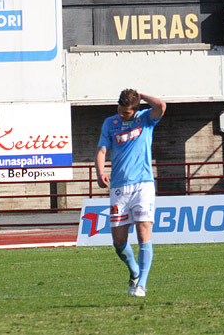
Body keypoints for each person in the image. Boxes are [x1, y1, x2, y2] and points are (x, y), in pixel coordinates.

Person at [95, 89, 166, 298]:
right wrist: (100, 172)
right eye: (119, 110)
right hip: (119, 187)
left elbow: (161, 106)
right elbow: (101, 150)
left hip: (143, 184)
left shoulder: (145, 119)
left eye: (126, 112)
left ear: (135, 110)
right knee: (118, 242)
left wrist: (141, 96)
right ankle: (134, 271)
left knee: (144, 232)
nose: (121, 114)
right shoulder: (110, 123)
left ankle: (141, 284)